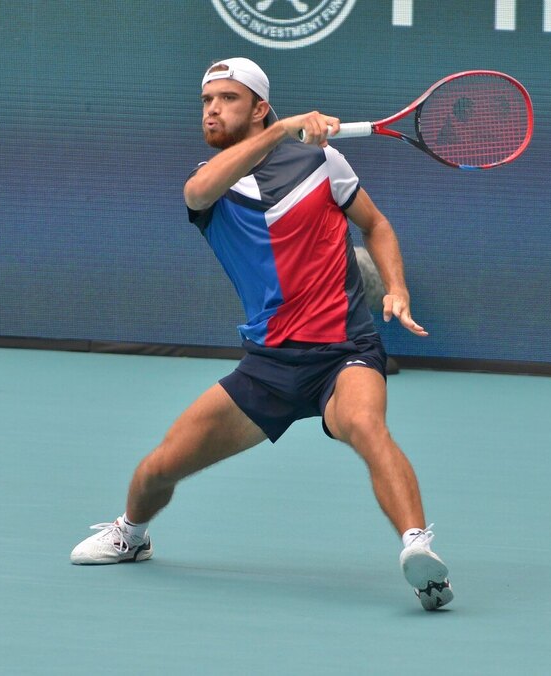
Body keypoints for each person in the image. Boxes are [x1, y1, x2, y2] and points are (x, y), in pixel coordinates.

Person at [71, 58, 452, 610]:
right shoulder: (212, 184)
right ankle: (130, 534)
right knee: (159, 467)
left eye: (227, 98)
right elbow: (198, 190)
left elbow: (376, 225)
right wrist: (281, 129)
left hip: (346, 351)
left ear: (258, 105)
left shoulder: (324, 161)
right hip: (269, 366)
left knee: (367, 425)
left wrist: (396, 286)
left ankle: (418, 550)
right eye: (206, 101)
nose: (212, 110)